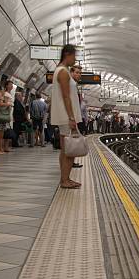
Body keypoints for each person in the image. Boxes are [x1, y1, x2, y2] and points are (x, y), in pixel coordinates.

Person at [50, 45, 83, 189]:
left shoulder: (60, 70)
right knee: (69, 150)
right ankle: (65, 180)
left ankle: (65, 178)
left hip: (64, 116)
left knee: (65, 150)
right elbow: (66, 96)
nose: (75, 59)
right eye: (74, 56)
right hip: (66, 117)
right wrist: (71, 117)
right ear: (67, 54)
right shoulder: (63, 72)